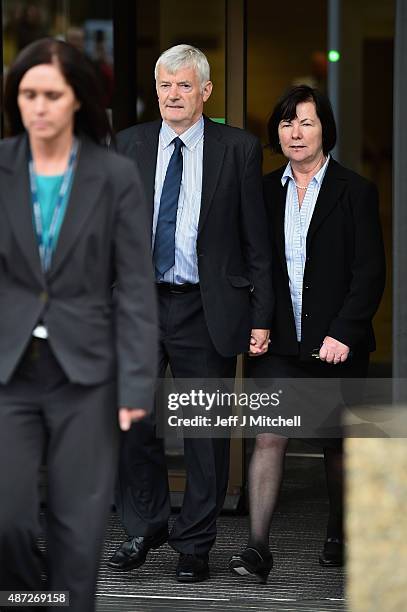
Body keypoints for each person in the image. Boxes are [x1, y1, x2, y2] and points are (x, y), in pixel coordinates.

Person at [0, 39, 157, 611]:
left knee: (78, 530)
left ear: (77, 102)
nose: (37, 107)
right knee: (8, 519)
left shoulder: (113, 175)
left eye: (51, 95)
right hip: (9, 369)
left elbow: (137, 285)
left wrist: (137, 384)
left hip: (87, 374)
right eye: (27, 94)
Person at [108, 44, 273, 583]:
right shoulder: (128, 144)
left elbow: (257, 244)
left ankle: (194, 545)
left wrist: (261, 316)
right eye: (164, 85)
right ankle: (146, 524)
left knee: (203, 434)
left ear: (205, 92)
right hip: (139, 305)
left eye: (183, 86)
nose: (172, 95)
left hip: (207, 308)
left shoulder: (239, 150)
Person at [229, 85, 385, 583]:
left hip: (335, 345)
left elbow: (369, 273)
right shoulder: (261, 191)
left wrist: (345, 332)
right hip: (279, 341)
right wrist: (253, 323)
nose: (295, 133)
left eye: (306, 122)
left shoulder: (354, 191)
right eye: (286, 123)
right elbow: (252, 265)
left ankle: (339, 533)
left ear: (325, 130)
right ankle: (257, 549)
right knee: (269, 436)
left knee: (334, 442)